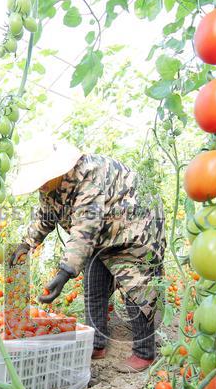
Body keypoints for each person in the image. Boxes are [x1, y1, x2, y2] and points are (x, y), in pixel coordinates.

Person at [8, 136, 165, 373]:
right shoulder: (52, 185)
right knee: (94, 287)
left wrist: (65, 271)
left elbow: (84, 229)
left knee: (136, 288)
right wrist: (27, 244)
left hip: (135, 227)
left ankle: (144, 353)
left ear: (55, 169)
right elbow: (46, 216)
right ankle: (96, 343)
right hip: (102, 233)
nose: (40, 185)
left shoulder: (90, 177)